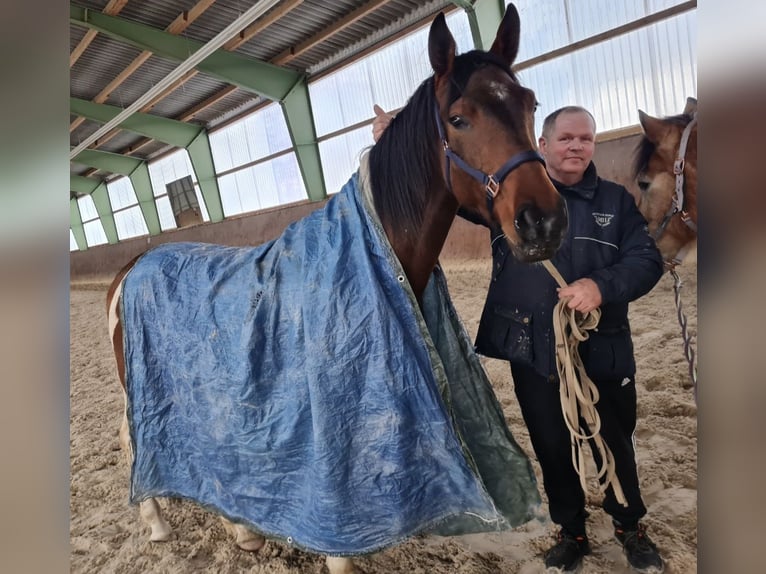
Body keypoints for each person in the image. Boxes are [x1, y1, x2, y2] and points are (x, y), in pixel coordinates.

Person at [372, 105, 665, 573]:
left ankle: (630, 527)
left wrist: (599, 287)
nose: (577, 146)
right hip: (533, 351)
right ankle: (571, 532)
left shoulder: (616, 201)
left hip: (603, 348)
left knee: (613, 442)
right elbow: (445, 181)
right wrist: (398, 141)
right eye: (566, 138)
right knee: (551, 445)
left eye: (585, 139)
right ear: (543, 145)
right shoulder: (503, 196)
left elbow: (646, 260)